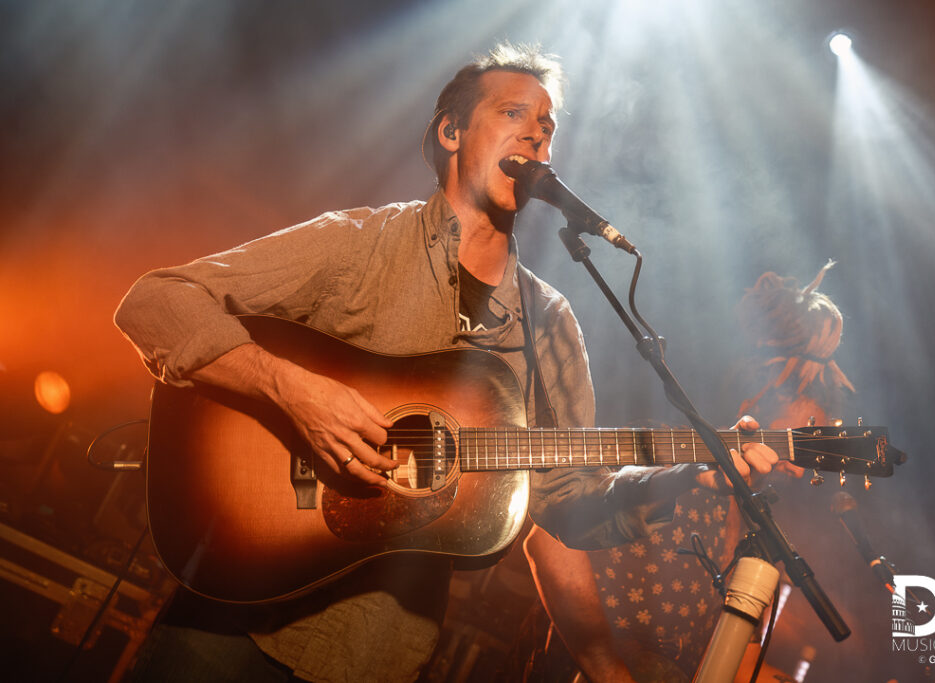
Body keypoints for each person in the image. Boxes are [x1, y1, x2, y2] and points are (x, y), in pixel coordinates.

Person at [115, 43, 780, 682]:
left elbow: (565, 502)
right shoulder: (360, 243)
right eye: (514, 114)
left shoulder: (549, 322)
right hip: (233, 610)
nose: (536, 139)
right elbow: (156, 302)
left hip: (375, 651)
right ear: (452, 132)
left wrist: (693, 470)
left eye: (547, 128)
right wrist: (295, 392)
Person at [522, 262, 854, 682]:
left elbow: (733, 662)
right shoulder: (669, 456)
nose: (800, 468)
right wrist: (609, 671)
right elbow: (550, 546)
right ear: (755, 404)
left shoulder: (763, 531)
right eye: (797, 439)